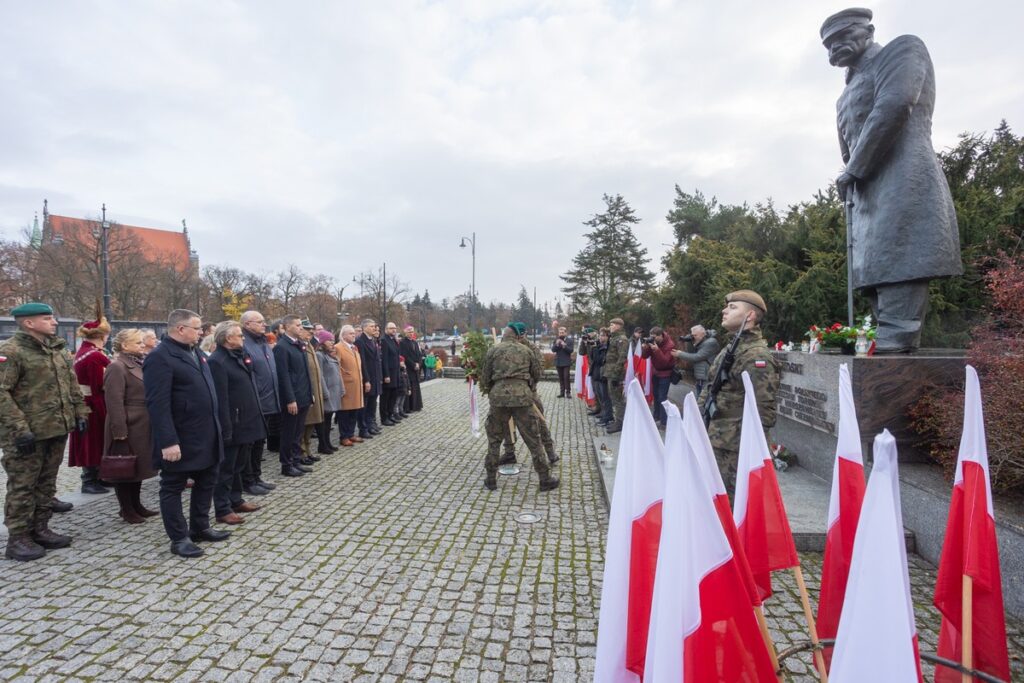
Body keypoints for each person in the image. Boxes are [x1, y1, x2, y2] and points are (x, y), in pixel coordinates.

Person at [821, 8, 962, 352]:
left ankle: (897, 336)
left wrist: (855, 168)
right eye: (828, 45)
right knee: (874, 265)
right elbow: (847, 144)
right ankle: (885, 338)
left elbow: (894, 105)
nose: (834, 48)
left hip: (903, 174)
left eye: (842, 37)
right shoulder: (843, 95)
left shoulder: (901, 50)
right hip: (866, 188)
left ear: (867, 30)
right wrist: (853, 172)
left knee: (900, 252)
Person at [0, 302, 88, 561]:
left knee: (47, 482)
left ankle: (40, 528)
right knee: (23, 485)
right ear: (28, 323)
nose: (54, 322)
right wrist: (19, 428)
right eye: (47, 318)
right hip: (26, 433)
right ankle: (18, 538)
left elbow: (71, 384)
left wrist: (80, 412)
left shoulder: (57, 350)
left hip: (55, 427)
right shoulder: (11, 352)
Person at [144, 309, 231, 558]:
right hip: (181, 436)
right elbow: (157, 404)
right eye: (197, 328)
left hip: (207, 432)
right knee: (173, 486)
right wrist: (168, 441)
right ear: (180, 329)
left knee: (207, 480)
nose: (202, 332)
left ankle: (200, 526)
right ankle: (179, 537)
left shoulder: (196, 352)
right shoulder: (160, 357)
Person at [697, 290, 781, 494]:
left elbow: (763, 411)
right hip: (718, 438)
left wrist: (752, 453)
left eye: (732, 307)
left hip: (736, 448)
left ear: (750, 316)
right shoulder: (731, 348)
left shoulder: (756, 355)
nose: (724, 311)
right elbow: (711, 388)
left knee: (733, 507)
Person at [480, 323, 559, 492]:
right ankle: (544, 478)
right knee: (533, 439)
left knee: (494, 439)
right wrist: (527, 385)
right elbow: (537, 373)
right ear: (517, 336)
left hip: (499, 399)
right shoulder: (526, 350)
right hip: (522, 398)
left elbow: (485, 376)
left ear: (504, 335)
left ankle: (491, 479)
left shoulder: (493, 350)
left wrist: (493, 389)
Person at [208, 321, 266, 526]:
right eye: (239, 335)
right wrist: (225, 428)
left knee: (239, 465)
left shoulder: (240, 356)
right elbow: (221, 398)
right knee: (226, 469)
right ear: (227, 339)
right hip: (232, 422)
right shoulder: (218, 361)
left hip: (248, 420)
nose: (242, 338)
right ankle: (222, 508)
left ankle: (236, 499)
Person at [103, 328, 159, 524]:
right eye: (138, 343)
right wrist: (119, 430)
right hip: (128, 423)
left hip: (141, 423)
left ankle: (136, 504)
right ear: (124, 346)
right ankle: (126, 509)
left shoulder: (137, 363)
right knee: (123, 467)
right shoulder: (117, 367)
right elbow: (114, 401)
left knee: (138, 466)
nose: (142, 346)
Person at [499, 331, 560, 468]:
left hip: (528, 393)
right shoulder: (505, 346)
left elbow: (539, 369)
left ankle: (550, 453)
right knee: (506, 424)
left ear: (522, 335)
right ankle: (509, 453)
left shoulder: (531, 349)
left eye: (520, 336)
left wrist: (529, 384)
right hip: (507, 393)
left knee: (539, 422)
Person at [68, 310, 111, 494]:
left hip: (88, 400)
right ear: (102, 336)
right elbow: (99, 384)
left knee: (93, 440)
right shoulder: (94, 355)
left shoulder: (85, 351)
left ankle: (99, 476)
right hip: (92, 403)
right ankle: (90, 480)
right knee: (92, 440)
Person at [240, 310, 279, 495]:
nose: (264, 324)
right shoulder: (244, 344)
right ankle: (247, 480)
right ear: (247, 324)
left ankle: (256, 476)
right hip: (255, 402)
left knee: (259, 443)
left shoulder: (262, 342)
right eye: (259, 322)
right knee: (251, 444)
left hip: (268, 401)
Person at [273, 314, 313, 478]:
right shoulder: (282, 347)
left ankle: (296, 460)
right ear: (287, 326)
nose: (301, 328)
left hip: (303, 395)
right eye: (297, 325)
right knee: (289, 432)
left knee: (298, 432)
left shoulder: (299, 345)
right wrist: (290, 399)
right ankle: (287, 464)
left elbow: (305, 372)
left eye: (301, 326)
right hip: (293, 398)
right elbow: (283, 376)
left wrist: (310, 393)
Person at [640, 326, 676, 428]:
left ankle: (664, 422)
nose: (653, 339)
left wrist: (657, 350)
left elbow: (664, 362)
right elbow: (644, 357)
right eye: (651, 337)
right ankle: (656, 416)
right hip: (656, 373)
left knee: (662, 397)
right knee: (655, 395)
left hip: (665, 374)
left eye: (654, 337)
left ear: (660, 336)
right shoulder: (653, 342)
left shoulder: (670, 345)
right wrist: (646, 348)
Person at [335, 325, 364, 447]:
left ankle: (351, 433)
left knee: (354, 411)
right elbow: (337, 367)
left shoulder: (354, 348)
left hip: (356, 386)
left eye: (354, 333)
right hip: (346, 386)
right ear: (344, 335)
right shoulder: (338, 348)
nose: (354, 335)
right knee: (344, 413)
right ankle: (344, 436)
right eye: (351, 333)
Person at [300, 319, 324, 463]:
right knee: (305, 422)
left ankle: (308, 449)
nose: (310, 332)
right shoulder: (300, 347)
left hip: (316, 389)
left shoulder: (309, 345)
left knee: (312, 422)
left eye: (311, 330)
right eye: (306, 329)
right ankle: (302, 451)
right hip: (307, 390)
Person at [672, 325, 720, 396]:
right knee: (699, 402)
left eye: (695, 335)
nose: (693, 337)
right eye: (692, 335)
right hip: (699, 378)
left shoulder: (711, 342)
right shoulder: (700, 341)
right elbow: (691, 353)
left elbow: (696, 357)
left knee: (704, 402)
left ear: (703, 334)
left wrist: (680, 354)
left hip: (708, 378)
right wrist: (689, 341)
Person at [602, 317, 630, 434]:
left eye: (612, 324)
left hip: (615, 374)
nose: (610, 327)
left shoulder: (622, 339)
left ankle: (620, 423)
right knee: (614, 398)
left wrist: (615, 375)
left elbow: (621, 358)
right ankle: (618, 420)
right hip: (610, 372)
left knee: (618, 399)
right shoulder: (614, 338)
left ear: (618, 326)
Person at [316, 330, 343, 452]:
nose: (332, 343)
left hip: (334, 392)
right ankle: (322, 444)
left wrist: (341, 389)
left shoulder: (328, 355)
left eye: (333, 340)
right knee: (324, 420)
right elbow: (320, 375)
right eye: (329, 340)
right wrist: (324, 392)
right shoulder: (319, 355)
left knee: (328, 421)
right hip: (327, 392)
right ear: (322, 342)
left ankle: (327, 442)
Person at [355, 320, 382, 438]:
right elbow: (363, 363)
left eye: (374, 326)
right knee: (364, 405)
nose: (374, 328)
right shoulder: (360, 341)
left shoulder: (373, 340)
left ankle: (371, 424)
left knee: (372, 403)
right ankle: (363, 428)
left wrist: (379, 377)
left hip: (375, 377)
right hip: (368, 378)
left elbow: (377, 361)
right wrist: (366, 380)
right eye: (371, 326)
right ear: (364, 327)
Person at [379, 322, 401, 426]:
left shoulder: (393, 340)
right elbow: (384, 360)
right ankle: (384, 418)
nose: (394, 330)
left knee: (393, 395)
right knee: (386, 397)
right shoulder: (384, 341)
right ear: (386, 329)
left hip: (396, 372)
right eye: (391, 328)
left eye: (395, 328)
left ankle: (390, 415)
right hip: (389, 374)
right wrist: (386, 375)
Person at [589, 328, 611, 426]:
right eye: (600, 335)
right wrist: (593, 347)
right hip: (596, 373)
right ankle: (603, 413)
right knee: (599, 395)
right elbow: (592, 358)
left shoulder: (607, 347)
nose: (601, 337)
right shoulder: (599, 346)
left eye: (603, 335)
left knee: (605, 397)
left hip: (602, 375)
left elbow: (599, 360)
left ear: (607, 337)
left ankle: (608, 416)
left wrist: (594, 348)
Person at [399, 325, 424, 412]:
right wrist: (413, 364)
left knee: (416, 387)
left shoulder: (415, 342)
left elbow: (420, 355)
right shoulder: (402, 342)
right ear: (405, 332)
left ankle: (416, 406)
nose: (411, 333)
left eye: (412, 332)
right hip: (409, 368)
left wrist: (419, 364)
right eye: (409, 332)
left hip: (416, 369)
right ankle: (408, 407)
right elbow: (405, 355)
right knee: (409, 387)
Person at [550, 326, 574, 398]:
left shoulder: (569, 340)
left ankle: (568, 392)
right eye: (560, 333)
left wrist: (564, 345)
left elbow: (571, 351)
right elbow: (553, 350)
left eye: (562, 332)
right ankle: (562, 392)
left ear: (565, 333)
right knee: (560, 378)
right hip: (558, 362)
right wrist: (557, 344)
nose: (561, 334)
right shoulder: (556, 340)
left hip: (566, 362)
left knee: (566, 377)